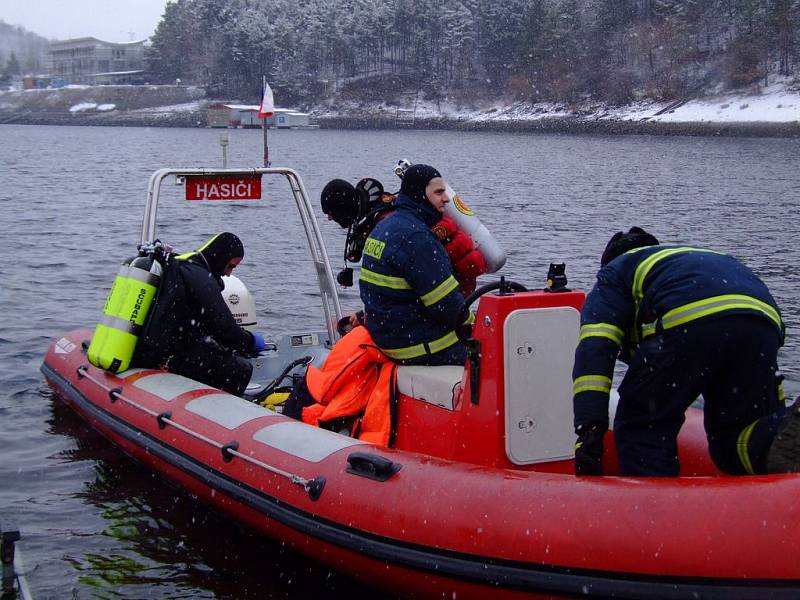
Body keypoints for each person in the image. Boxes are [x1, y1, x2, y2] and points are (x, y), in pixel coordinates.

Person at [572, 227, 800, 477]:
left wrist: (590, 428)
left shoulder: (615, 273)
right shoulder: (683, 260)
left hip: (687, 319)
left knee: (642, 427)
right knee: (735, 442)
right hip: (762, 320)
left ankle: (657, 506)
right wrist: (778, 414)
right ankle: (777, 442)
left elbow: (595, 348)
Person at [358, 164, 472, 366]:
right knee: (498, 358)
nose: (446, 198)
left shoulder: (384, 227)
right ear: (419, 194)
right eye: (438, 192)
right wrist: (475, 325)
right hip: (420, 347)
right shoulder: (416, 238)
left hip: (389, 340)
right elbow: (446, 305)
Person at [133, 232, 267, 395]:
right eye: (230, 266)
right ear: (221, 257)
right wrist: (251, 341)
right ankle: (220, 412)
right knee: (240, 368)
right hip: (169, 358)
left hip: (156, 350)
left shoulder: (186, 266)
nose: (229, 274)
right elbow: (226, 330)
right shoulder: (202, 279)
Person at [320, 176, 486, 297]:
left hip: (448, 294)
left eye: (331, 213)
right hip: (452, 290)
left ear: (344, 208)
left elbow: (407, 285)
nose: (329, 218)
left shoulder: (387, 228)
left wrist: (368, 317)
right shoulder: (384, 213)